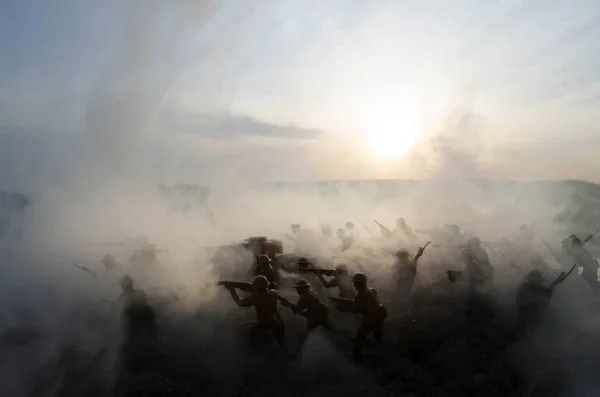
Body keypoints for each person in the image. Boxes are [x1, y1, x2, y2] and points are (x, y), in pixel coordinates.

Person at [331, 272, 386, 362]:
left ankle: (357, 359)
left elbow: (355, 309)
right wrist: (343, 300)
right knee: (378, 336)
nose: (354, 284)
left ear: (357, 284)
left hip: (370, 319)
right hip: (379, 315)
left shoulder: (360, 294)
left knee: (359, 339)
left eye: (355, 283)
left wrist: (344, 307)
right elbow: (362, 302)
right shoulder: (371, 290)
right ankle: (381, 353)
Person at [225, 275, 287, 346]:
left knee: (250, 335)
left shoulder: (256, 297)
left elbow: (240, 303)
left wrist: (232, 290)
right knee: (281, 342)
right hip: (276, 322)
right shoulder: (273, 293)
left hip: (263, 323)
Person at [281, 279, 348, 343]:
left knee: (311, 333)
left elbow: (298, 309)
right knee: (330, 330)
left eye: (298, 288)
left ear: (302, 288)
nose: (297, 290)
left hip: (315, 318)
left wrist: (288, 305)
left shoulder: (304, 296)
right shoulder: (311, 292)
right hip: (321, 314)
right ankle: (344, 336)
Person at [118, 275, 156, 342]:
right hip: (135, 325)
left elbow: (144, 307)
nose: (122, 287)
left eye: (124, 285)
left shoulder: (139, 294)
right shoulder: (123, 298)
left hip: (140, 323)